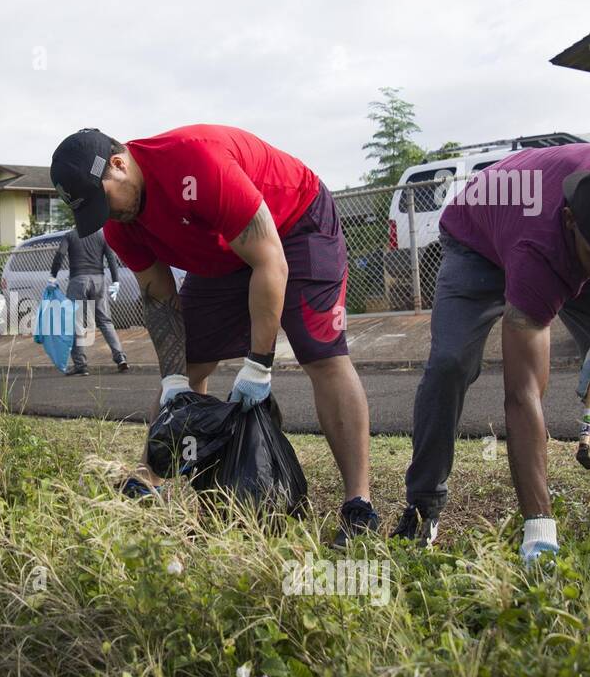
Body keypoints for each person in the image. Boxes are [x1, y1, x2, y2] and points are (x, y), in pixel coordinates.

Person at [51, 126, 377, 545]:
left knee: (320, 354)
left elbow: (269, 261)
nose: (108, 216)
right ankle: (153, 479)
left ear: (119, 164)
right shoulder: (121, 226)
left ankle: (359, 505)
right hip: (222, 251)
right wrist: (172, 381)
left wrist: (258, 365)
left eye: (104, 201)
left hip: (295, 224)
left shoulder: (196, 163)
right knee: (188, 367)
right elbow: (159, 299)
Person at [396, 146, 590, 562]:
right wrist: (538, 521)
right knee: (450, 363)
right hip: (477, 240)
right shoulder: (537, 251)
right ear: (572, 221)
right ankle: (423, 503)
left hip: (548, 225)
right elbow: (523, 396)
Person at [48, 227, 128, 375]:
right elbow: (110, 257)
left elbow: (60, 255)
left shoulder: (70, 236)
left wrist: (53, 276)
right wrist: (116, 281)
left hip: (78, 281)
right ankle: (120, 357)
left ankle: (81, 365)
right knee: (105, 321)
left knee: (76, 322)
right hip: (99, 281)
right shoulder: (101, 235)